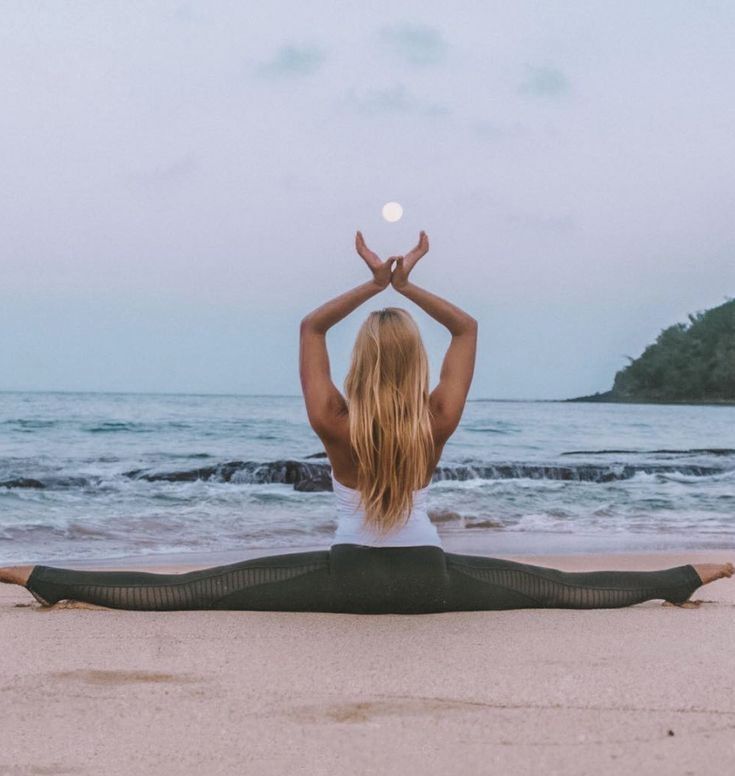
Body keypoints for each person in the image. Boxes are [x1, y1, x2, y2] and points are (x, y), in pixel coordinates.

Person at [1, 231, 732, 612]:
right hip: (431, 580)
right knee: (556, 587)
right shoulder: (436, 417)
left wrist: (371, 284)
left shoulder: (331, 419)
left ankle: (36, 572)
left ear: (359, 364)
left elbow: (310, 329)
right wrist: (408, 284)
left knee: (191, 588)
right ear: (415, 363)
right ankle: (688, 573)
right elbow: (469, 329)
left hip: (341, 577)